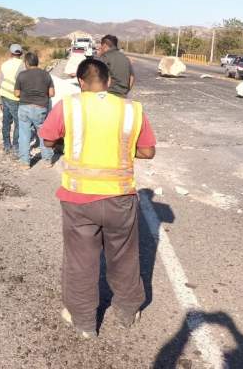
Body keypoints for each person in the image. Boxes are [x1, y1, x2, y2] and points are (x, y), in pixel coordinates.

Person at [38, 58, 156, 338]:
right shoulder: (131, 109)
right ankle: (128, 311)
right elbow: (148, 152)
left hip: (79, 199)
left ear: (81, 82)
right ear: (108, 80)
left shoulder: (70, 106)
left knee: (81, 261)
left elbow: (47, 140)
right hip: (120, 198)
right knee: (124, 257)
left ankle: (84, 322)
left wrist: (66, 144)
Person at [14, 51, 55, 166]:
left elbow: (16, 94)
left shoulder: (22, 75)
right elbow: (52, 93)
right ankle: (47, 161)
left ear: (26, 63)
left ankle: (25, 163)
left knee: (24, 135)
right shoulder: (46, 74)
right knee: (43, 134)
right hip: (40, 108)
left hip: (24, 109)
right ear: (37, 62)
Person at [0, 43, 24, 156]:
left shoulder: (4, 64)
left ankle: (6, 146)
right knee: (18, 123)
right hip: (15, 98)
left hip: (4, 95)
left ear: (10, 53)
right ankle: (16, 146)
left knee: (6, 122)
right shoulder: (23, 65)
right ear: (21, 53)